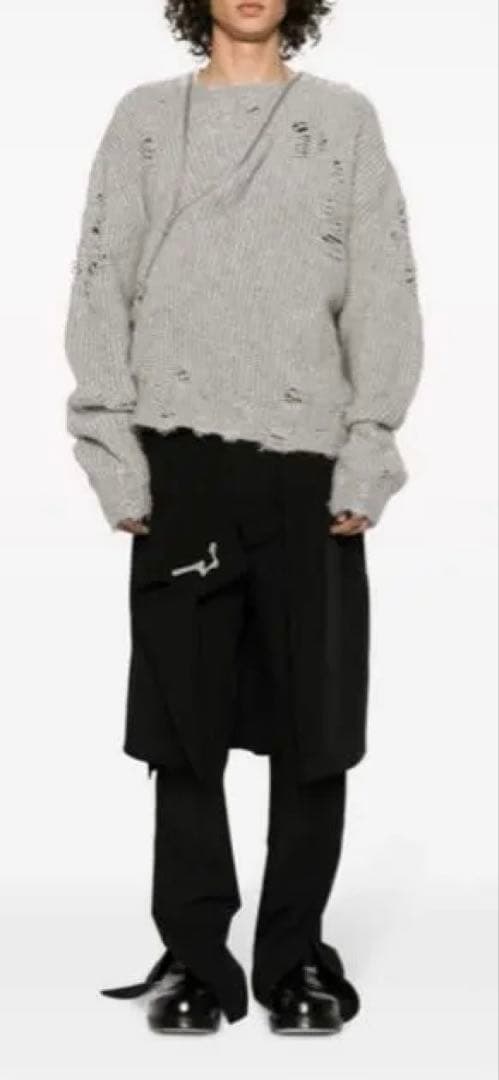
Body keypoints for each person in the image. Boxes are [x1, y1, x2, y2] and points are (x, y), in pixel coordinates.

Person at [64, 0, 424, 1037]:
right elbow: (100, 282)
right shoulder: (144, 119)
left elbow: (382, 285)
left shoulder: (343, 120)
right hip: (179, 462)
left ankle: (294, 954)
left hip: (308, 464)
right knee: (183, 728)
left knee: (316, 726)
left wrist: (367, 445)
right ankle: (193, 955)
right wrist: (112, 454)